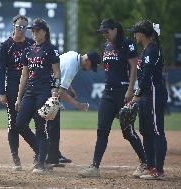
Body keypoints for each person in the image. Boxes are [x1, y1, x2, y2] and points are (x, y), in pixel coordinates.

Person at [79, 18, 147, 178]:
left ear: (115, 29)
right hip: (108, 94)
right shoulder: (106, 46)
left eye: (106, 31)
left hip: (123, 93)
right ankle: (94, 167)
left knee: (127, 132)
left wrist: (131, 89)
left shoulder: (127, 44)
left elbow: (133, 66)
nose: (105, 34)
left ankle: (145, 162)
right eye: (102, 32)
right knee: (102, 130)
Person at [15, 18, 60, 174]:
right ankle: (41, 152)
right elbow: (24, 75)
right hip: (30, 91)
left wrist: (55, 90)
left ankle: (41, 162)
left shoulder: (51, 49)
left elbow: (57, 72)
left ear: (44, 32)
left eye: (37, 30)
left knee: (40, 126)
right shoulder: (28, 50)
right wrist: (19, 97)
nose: (34, 33)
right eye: (32, 31)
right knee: (20, 124)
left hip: (44, 91)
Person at [46, 51, 100, 166]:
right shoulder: (73, 66)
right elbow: (60, 92)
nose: (90, 69)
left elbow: (61, 74)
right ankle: (50, 157)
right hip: (48, 89)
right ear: (87, 61)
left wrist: (69, 89)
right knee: (52, 126)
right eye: (92, 65)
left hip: (48, 86)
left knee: (53, 125)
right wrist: (78, 105)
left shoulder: (73, 55)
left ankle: (54, 154)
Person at [130, 20, 168, 180]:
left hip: (153, 93)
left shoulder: (152, 50)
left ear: (142, 34)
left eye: (135, 32)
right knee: (146, 131)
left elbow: (146, 78)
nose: (134, 35)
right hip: (147, 94)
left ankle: (158, 170)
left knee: (156, 131)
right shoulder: (146, 50)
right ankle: (150, 166)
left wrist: (136, 96)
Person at [0, 15, 34, 171]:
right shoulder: (6, 45)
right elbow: (1, 71)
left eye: (24, 27)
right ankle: (15, 157)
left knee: (36, 121)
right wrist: (2, 92)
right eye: (19, 26)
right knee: (13, 123)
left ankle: (39, 154)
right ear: (13, 26)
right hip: (12, 86)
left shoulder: (32, 44)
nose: (21, 29)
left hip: (31, 87)